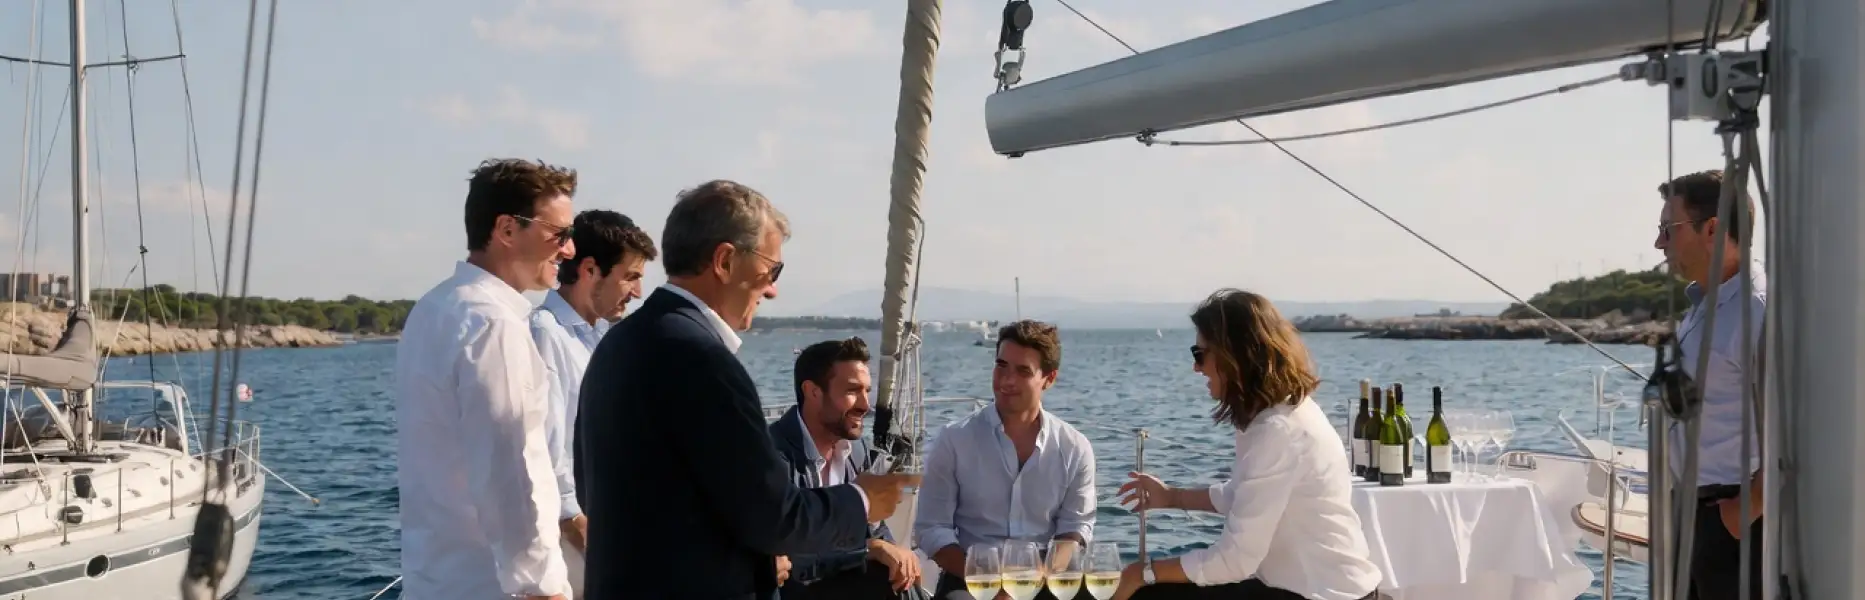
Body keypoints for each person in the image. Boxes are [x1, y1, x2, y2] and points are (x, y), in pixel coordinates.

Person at [575, 179, 919, 600]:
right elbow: (774, 516)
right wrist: (862, 500)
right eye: (772, 269)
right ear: (724, 261)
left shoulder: (616, 344)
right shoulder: (704, 359)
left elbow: (591, 489)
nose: (773, 289)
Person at [1110, 289, 1380, 600]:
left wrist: (1142, 573)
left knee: (1148, 593)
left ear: (1235, 356)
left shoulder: (1278, 431)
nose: (1196, 367)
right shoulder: (1284, 414)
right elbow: (1243, 495)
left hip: (1324, 595)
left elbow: (1234, 561)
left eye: (1200, 354)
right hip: (1311, 588)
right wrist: (1172, 497)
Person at [395, 158, 579, 600]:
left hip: (435, 583)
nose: (569, 250)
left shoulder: (433, 308)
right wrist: (541, 587)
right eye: (560, 234)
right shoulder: (493, 324)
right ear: (507, 230)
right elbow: (510, 470)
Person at [915, 319, 1097, 600]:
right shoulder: (953, 440)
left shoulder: (1074, 448)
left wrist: (1036, 579)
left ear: (1049, 379)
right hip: (970, 577)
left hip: (1045, 577)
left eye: (1023, 371)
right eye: (1001, 366)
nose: (1007, 380)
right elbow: (932, 528)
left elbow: (1075, 529)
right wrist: (987, 580)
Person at [529, 209, 658, 597]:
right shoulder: (545, 334)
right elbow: (547, 442)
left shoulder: (601, 337)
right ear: (589, 269)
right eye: (630, 276)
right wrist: (574, 522)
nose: (637, 292)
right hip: (577, 537)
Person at [1652, 169, 1766, 600]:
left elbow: (1803, 423)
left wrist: (1745, 510)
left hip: (1733, 523)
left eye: (1669, 228)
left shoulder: (1757, 310)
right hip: (1692, 514)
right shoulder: (1704, 305)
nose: (1659, 243)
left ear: (1713, 230)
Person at [771, 336, 928, 600]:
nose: (865, 405)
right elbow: (786, 559)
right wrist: (865, 551)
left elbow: (875, 528)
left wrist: (895, 552)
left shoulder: (857, 452)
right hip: (796, 591)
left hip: (844, 586)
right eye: (852, 391)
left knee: (898, 574)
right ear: (813, 392)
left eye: (867, 391)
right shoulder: (771, 456)